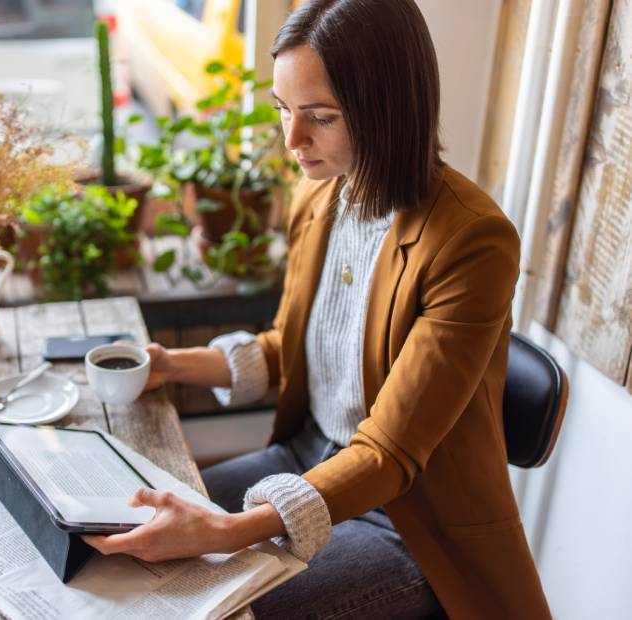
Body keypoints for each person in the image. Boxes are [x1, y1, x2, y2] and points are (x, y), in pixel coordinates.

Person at [84, 0, 551, 617]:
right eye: (284, 110)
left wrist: (224, 531)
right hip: (307, 456)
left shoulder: (471, 241)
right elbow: (293, 345)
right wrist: (175, 365)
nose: (292, 140)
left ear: (389, 111)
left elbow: (389, 454)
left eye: (320, 117)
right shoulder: (323, 194)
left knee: (198, 599)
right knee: (115, 525)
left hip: (409, 520)